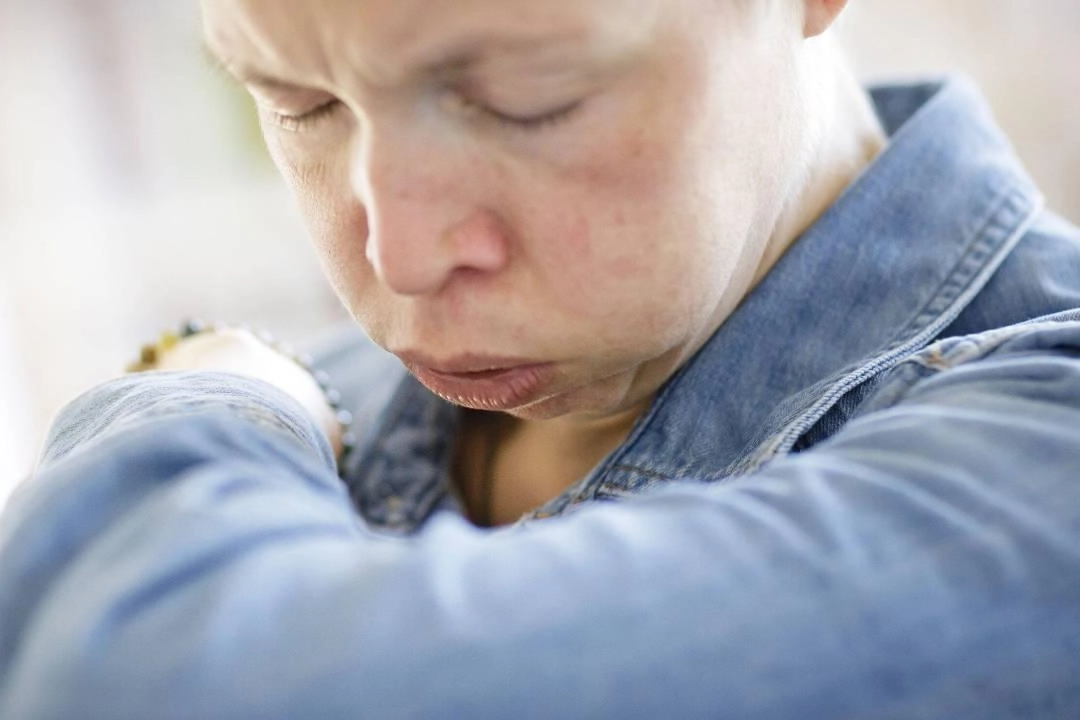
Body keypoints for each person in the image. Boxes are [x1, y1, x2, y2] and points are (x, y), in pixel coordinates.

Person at [1, 0, 1079, 717]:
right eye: (300, 105)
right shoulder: (318, 410)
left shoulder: (1048, 445)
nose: (401, 258)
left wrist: (196, 397)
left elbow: (133, 686)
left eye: (527, 99)